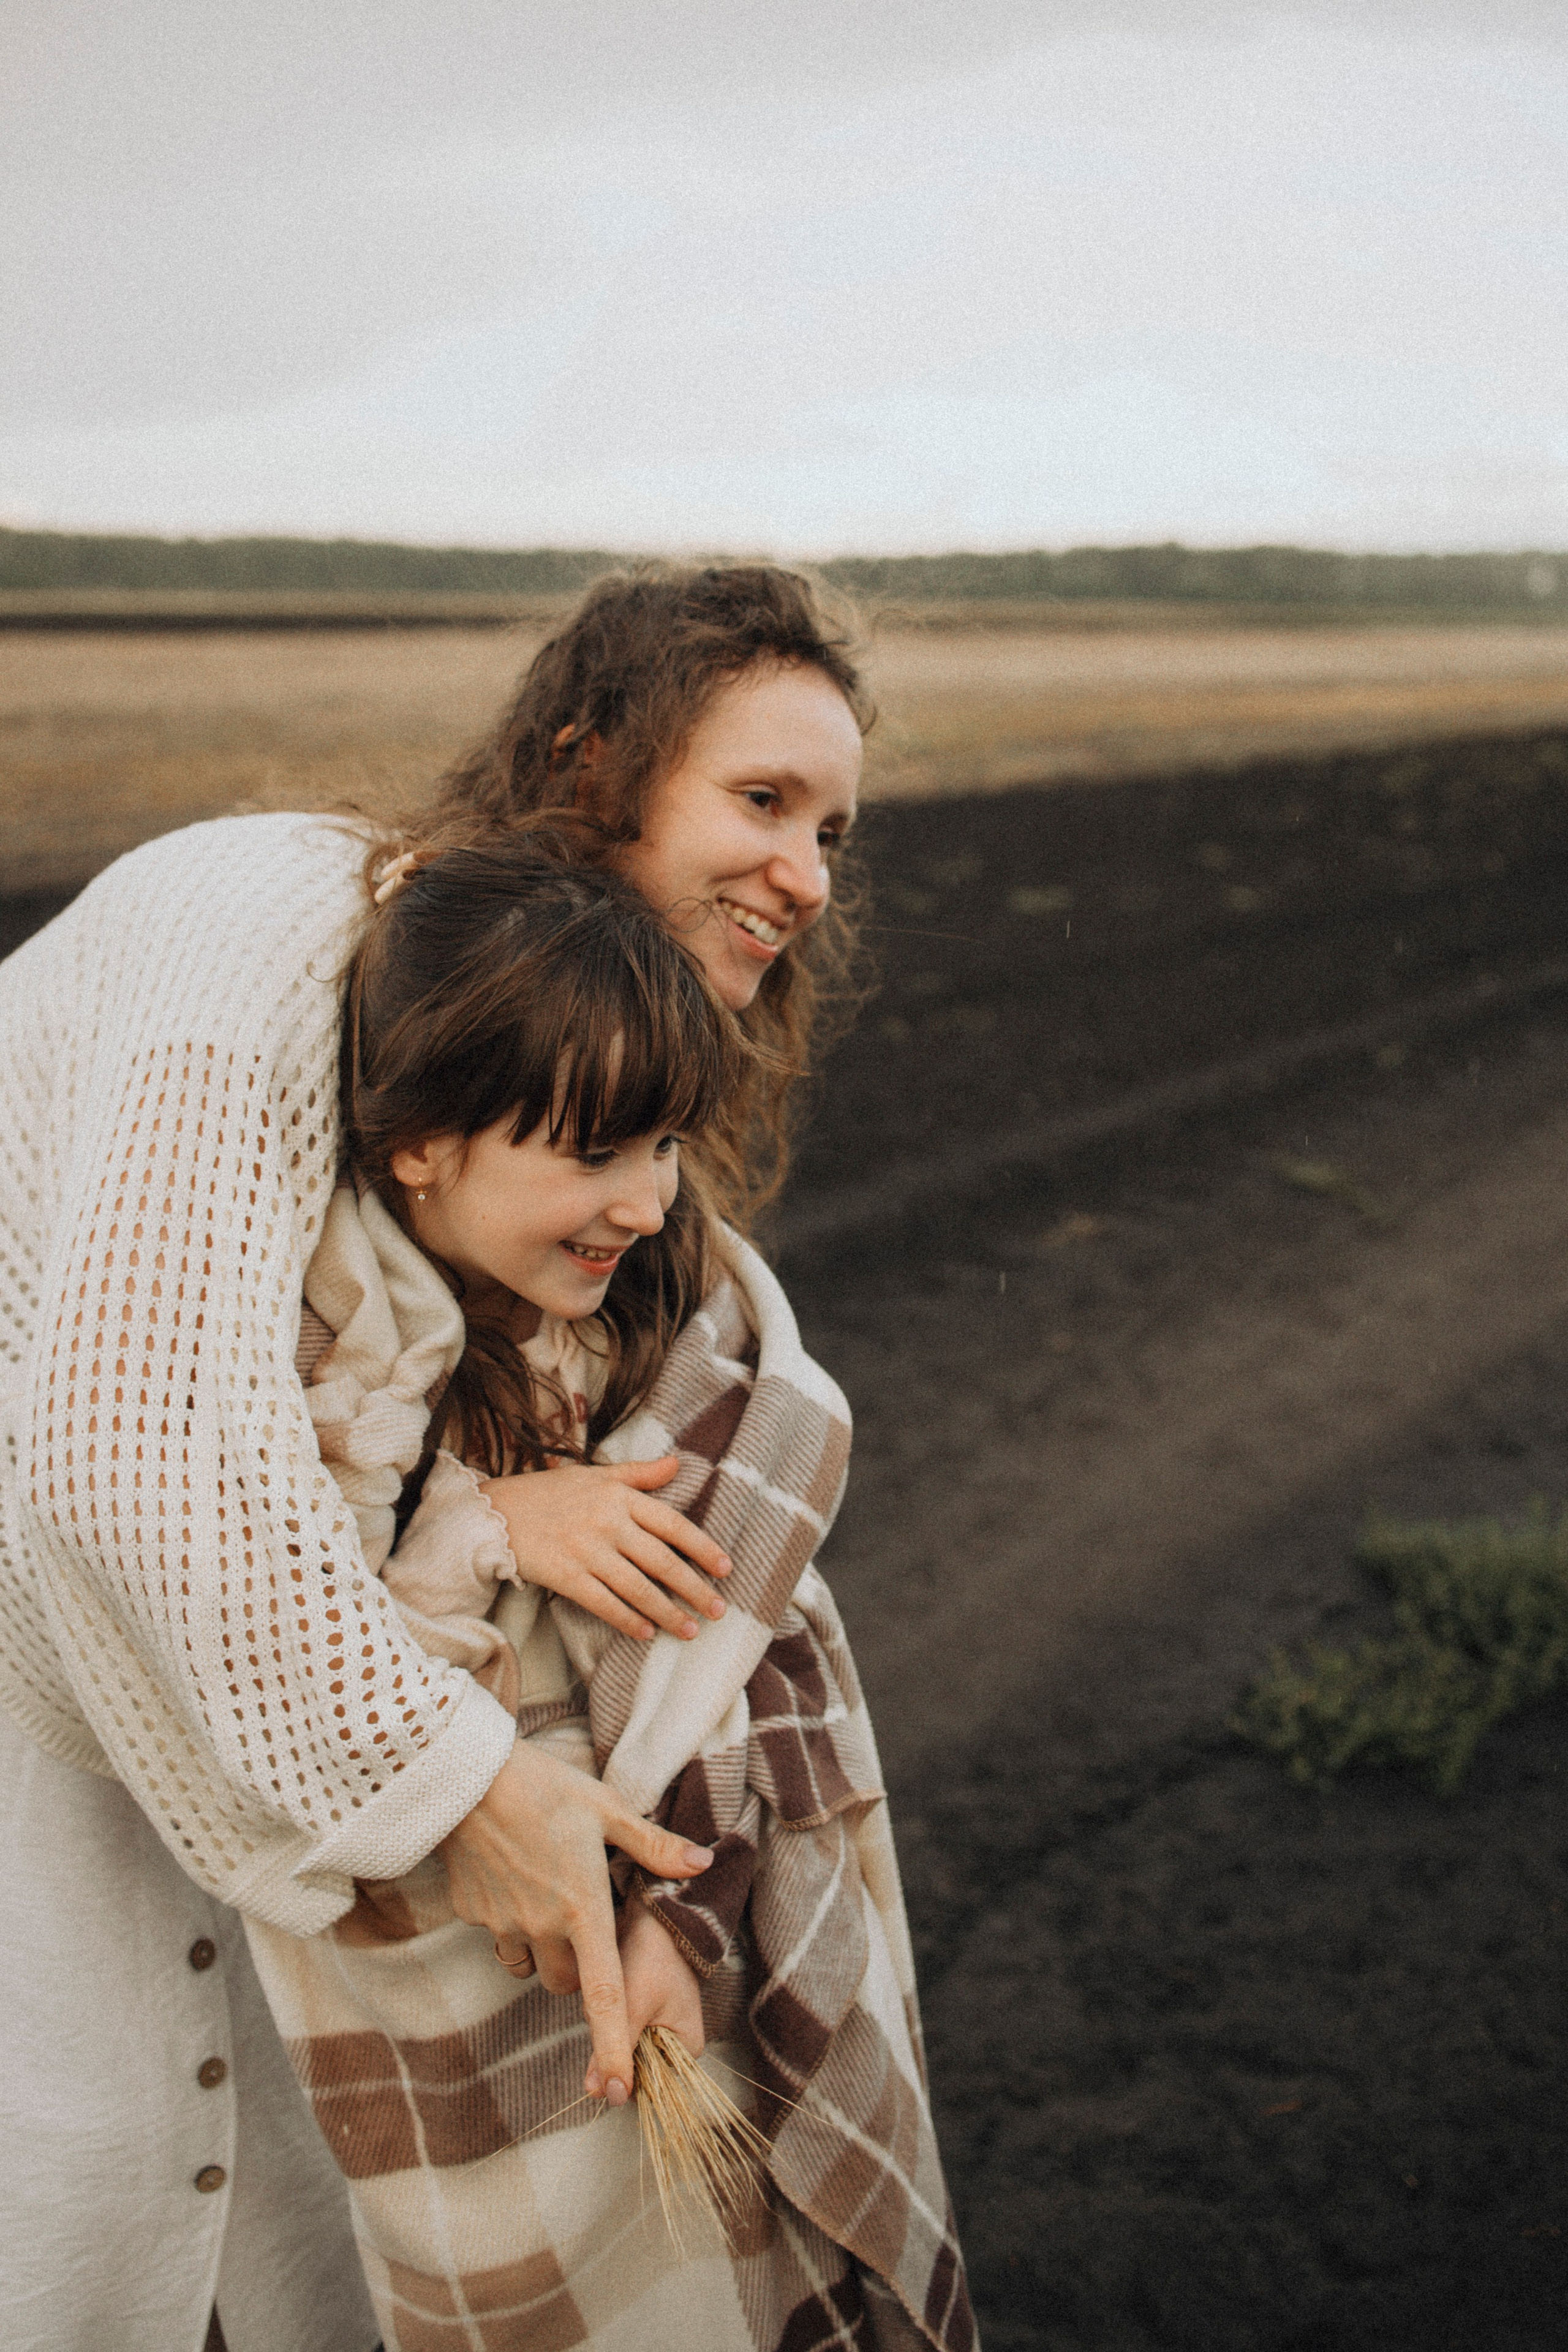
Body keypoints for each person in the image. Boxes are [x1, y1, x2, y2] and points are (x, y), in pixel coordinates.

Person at [0, 565, 968, 2349]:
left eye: (836, 829)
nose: (810, 876)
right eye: (760, 802)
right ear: (589, 770)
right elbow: (126, 1456)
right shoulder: (272, 927)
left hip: (252, 1702)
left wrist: (674, 1849)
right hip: (54, 1689)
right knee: (91, 2202)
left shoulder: (565, 1129)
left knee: (284, 2234)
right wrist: (467, 1792)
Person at [243, 837, 970, 2350]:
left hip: (692, 1912)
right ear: (418, 1142)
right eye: (591, 1154)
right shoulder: (282, 1379)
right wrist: (485, 1519)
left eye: (663, 1147)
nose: (644, 1202)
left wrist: (690, 1915)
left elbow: (732, 1642)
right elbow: (262, 1657)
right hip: (455, 1996)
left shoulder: (663, 1321)